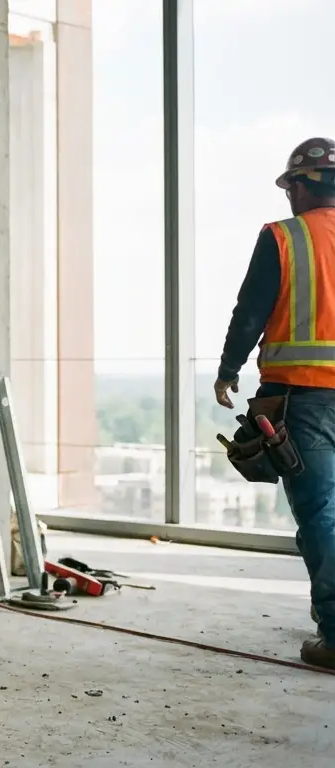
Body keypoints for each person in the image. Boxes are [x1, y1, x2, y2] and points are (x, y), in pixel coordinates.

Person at [214, 137, 335, 669]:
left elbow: (251, 310)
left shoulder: (284, 238)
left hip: (304, 401)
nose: (288, 198)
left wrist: (227, 370)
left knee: (321, 514)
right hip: (304, 400)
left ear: (305, 186)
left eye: (291, 187)